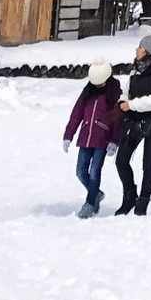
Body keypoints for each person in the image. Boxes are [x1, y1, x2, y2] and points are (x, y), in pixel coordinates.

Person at [114, 33, 151, 216]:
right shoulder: (136, 67)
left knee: (148, 164)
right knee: (122, 160)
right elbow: (126, 89)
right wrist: (123, 100)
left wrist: (133, 105)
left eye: (140, 47)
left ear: (148, 51)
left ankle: (143, 202)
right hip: (134, 119)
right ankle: (129, 196)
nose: (136, 49)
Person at [63, 58, 125, 218]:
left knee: (95, 172)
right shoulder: (87, 92)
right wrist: (68, 134)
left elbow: (118, 119)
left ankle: (90, 204)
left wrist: (114, 141)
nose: (97, 86)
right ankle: (96, 193)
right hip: (86, 137)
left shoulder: (115, 92)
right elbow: (77, 113)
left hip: (102, 139)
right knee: (80, 171)